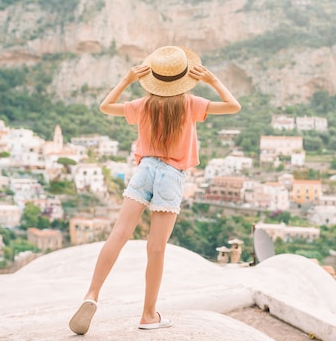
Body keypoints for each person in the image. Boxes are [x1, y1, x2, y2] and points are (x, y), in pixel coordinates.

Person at [68, 45, 241, 335]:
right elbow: (233, 106)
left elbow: (105, 107)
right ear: (184, 78)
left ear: (155, 78)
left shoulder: (144, 105)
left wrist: (126, 80)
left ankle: (92, 294)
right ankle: (148, 314)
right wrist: (212, 81)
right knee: (156, 248)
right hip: (171, 176)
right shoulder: (190, 103)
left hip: (145, 170)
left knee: (119, 234)